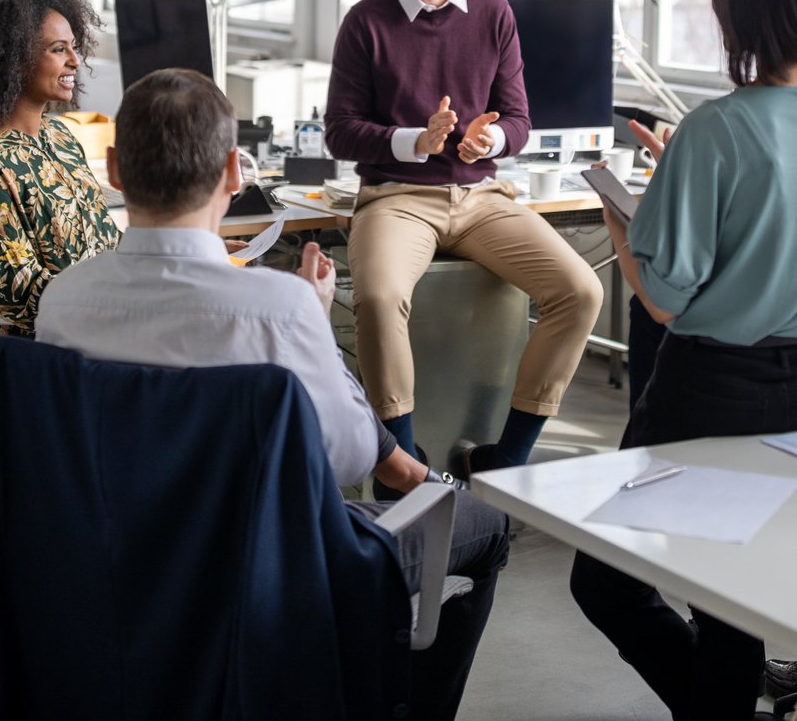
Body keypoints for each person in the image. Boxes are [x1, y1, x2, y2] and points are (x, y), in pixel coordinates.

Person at [37, 69, 509, 721]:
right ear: (235, 171)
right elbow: (344, 462)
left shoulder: (61, 300)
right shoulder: (276, 309)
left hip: (114, 564)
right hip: (265, 570)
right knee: (487, 527)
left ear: (114, 170)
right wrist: (311, 324)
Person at [569, 0, 797, 721]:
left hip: (708, 394)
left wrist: (629, 213)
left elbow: (665, 297)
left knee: (607, 581)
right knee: (732, 594)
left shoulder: (718, 129)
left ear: (741, 5)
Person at [325, 0, 602, 475]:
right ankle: (401, 461)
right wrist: (414, 142)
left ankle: (507, 458)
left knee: (581, 292)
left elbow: (520, 121)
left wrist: (490, 139)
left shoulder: (495, 15)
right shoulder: (365, 22)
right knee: (376, 298)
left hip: (481, 197)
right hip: (396, 198)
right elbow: (340, 132)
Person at [0, 0, 118, 331]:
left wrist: (187, 255)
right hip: (46, 348)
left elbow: (106, 244)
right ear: (12, 59)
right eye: (58, 49)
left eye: (74, 48)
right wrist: (127, 295)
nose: (75, 61)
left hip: (104, 325)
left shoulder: (59, 136)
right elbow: (20, 296)